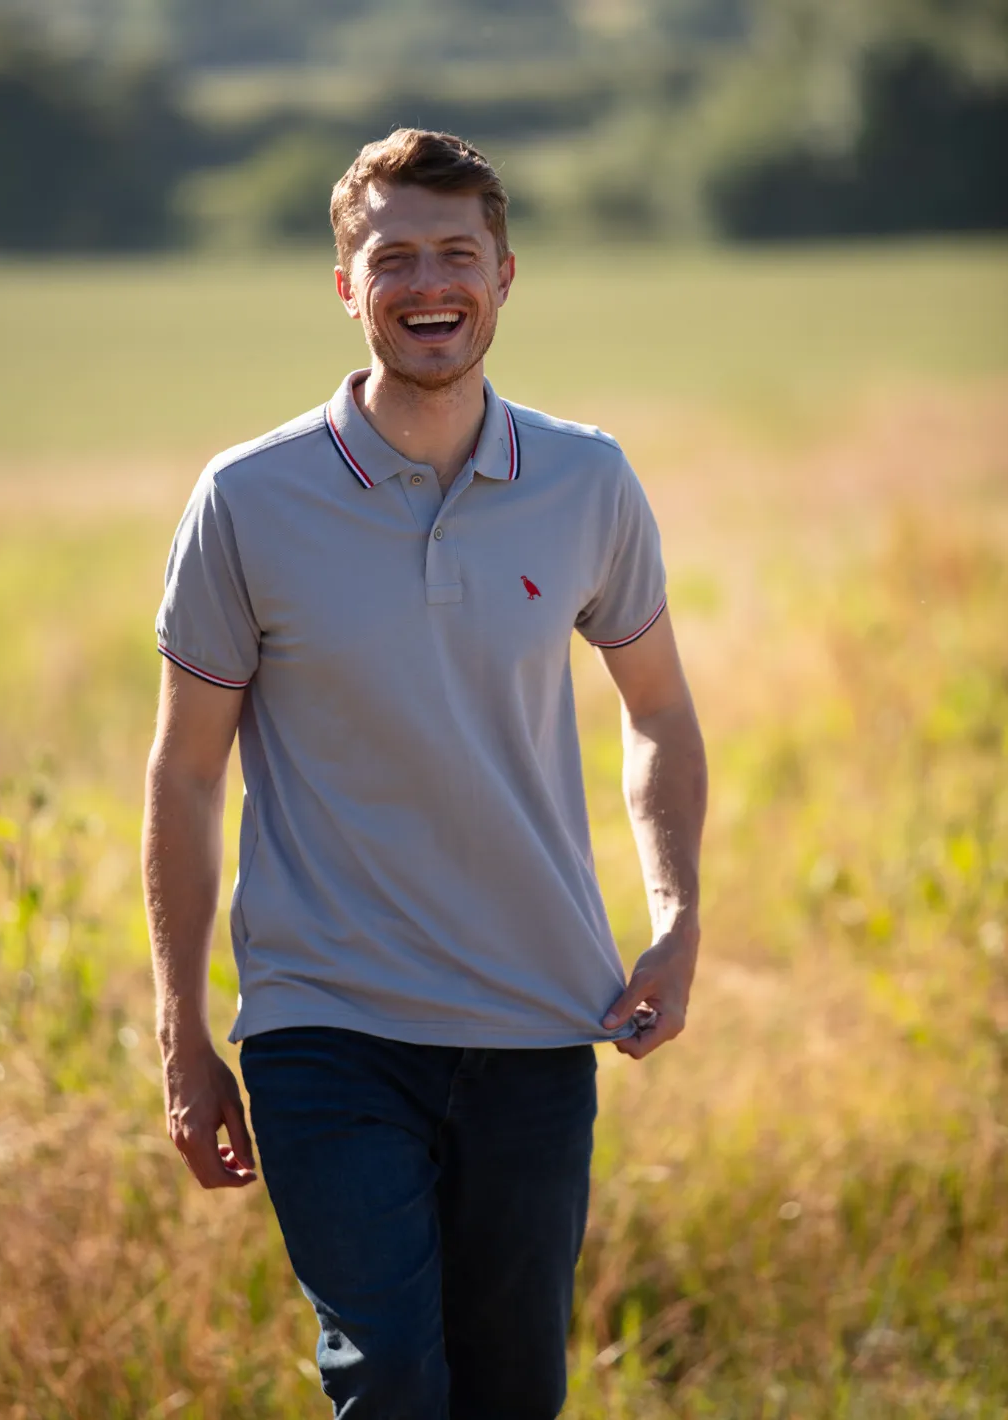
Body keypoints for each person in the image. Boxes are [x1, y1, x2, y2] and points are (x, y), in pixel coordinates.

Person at [142, 128, 707, 1420]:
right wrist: (183, 1030)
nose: (429, 284)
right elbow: (183, 777)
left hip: (533, 1020)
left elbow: (662, 712)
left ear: (506, 275)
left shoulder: (586, 482)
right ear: (347, 286)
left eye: (458, 254)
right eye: (393, 258)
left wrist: (676, 922)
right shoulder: (248, 501)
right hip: (325, 1025)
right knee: (389, 1375)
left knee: (513, 1390)